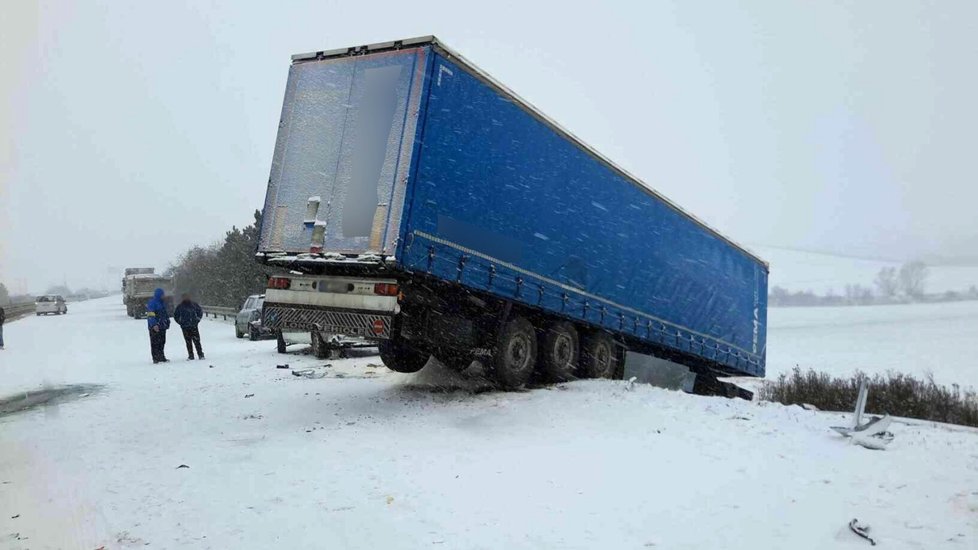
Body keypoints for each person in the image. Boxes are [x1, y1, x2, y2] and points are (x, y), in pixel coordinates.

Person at [173, 293, 205, 360]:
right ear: (183, 298)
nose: (186, 298)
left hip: (194, 326)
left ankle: (200, 354)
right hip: (185, 327)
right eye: (185, 297)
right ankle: (191, 355)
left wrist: (197, 320)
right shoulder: (180, 307)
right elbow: (176, 315)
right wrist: (181, 322)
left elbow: (200, 312)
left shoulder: (194, 305)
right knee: (188, 342)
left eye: (188, 297)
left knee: (197, 341)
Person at [146, 288, 171, 364]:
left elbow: (165, 314)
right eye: (163, 295)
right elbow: (151, 315)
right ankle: (155, 358)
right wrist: (154, 324)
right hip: (155, 327)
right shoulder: (152, 303)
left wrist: (167, 322)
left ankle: (161, 357)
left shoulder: (162, 303)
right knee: (155, 343)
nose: (164, 296)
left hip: (162, 326)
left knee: (162, 342)